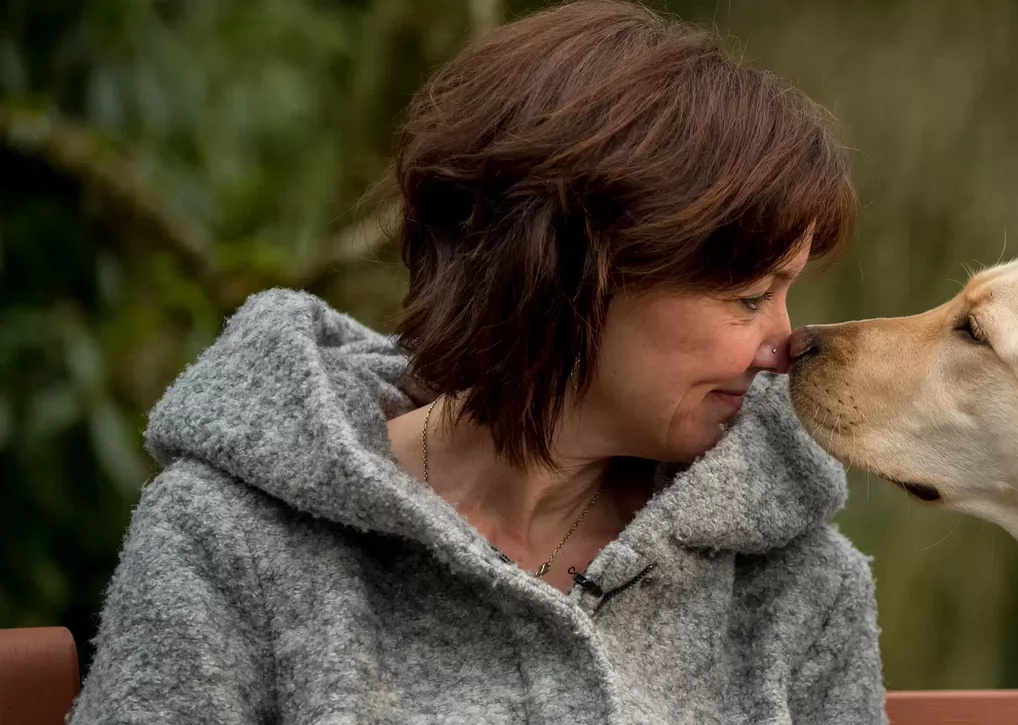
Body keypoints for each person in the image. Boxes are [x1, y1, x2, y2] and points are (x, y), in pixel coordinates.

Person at [71, 2, 884, 722]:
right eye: (748, 297)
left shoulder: (795, 584)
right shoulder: (231, 537)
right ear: (570, 276)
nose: (784, 343)